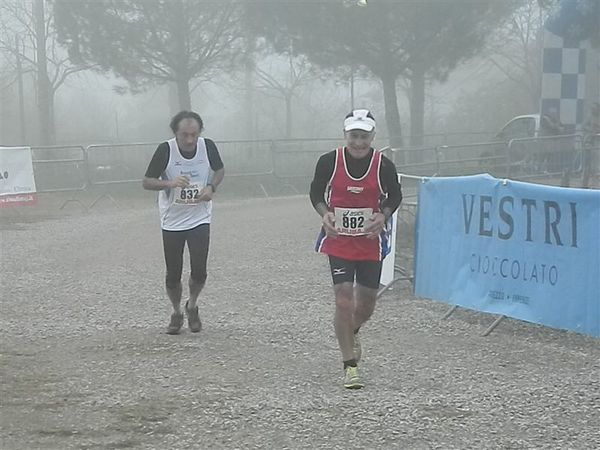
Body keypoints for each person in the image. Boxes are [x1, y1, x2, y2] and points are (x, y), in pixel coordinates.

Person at [310, 109, 402, 389]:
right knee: (342, 300)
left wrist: (382, 216)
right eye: (354, 136)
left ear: (373, 136)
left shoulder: (383, 165)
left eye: (364, 136)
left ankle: (352, 330)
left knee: (365, 307)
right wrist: (325, 213)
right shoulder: (329, 161)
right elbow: (315, 192)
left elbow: (395, 195)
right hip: (339, 239)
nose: (359, 143)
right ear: (345, 135)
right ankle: (350, 366)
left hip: (369, 241)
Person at [143, 111, 224, 334]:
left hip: (200, 217)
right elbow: (147, 182)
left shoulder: (207, 146)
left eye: (194, 135)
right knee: (173, 273)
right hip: (172, 221)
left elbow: (220, 170)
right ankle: (177, 312)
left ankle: (193, 305)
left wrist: (211, 187)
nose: (189, 140)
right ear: (175, 133)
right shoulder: (166, 150)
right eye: (184, 135)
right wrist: (170, 183)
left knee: (199, 271)